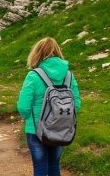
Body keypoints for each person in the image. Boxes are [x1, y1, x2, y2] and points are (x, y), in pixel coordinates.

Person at [17, 37, 82, 176]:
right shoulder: (69, 75)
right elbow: (77, 103)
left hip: (36, 130)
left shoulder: (33, 75)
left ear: (37, 53)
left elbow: (23, 106)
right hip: (60, 128)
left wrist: (28, 119)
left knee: (40, 167)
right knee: (54, 166)